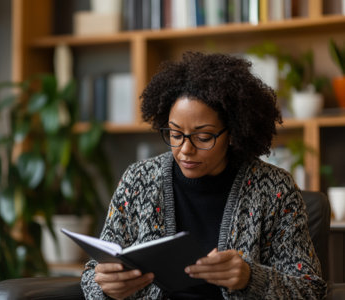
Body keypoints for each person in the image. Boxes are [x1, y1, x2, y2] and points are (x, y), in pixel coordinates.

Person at [80, 51, 327, 299]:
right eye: (176, 134)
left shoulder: (275, 189)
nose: (185, 149)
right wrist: (105, 287)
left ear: (233, 133)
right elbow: (93, 274)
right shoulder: (138, 180)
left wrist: (250, 278)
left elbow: (310, 288)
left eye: (203, 137)